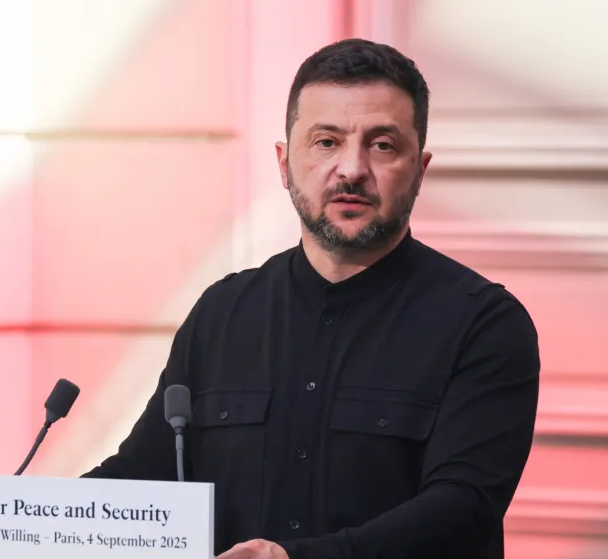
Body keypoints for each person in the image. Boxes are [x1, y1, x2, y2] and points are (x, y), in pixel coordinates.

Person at [82, 38, 541, 559]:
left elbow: (462, 510)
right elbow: (146, 475)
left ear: (420, 169)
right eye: (326, 141)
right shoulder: (221, 312)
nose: (351, 169)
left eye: (382, 145)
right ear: (284, 163)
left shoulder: (484, 324)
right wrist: (27, 520)